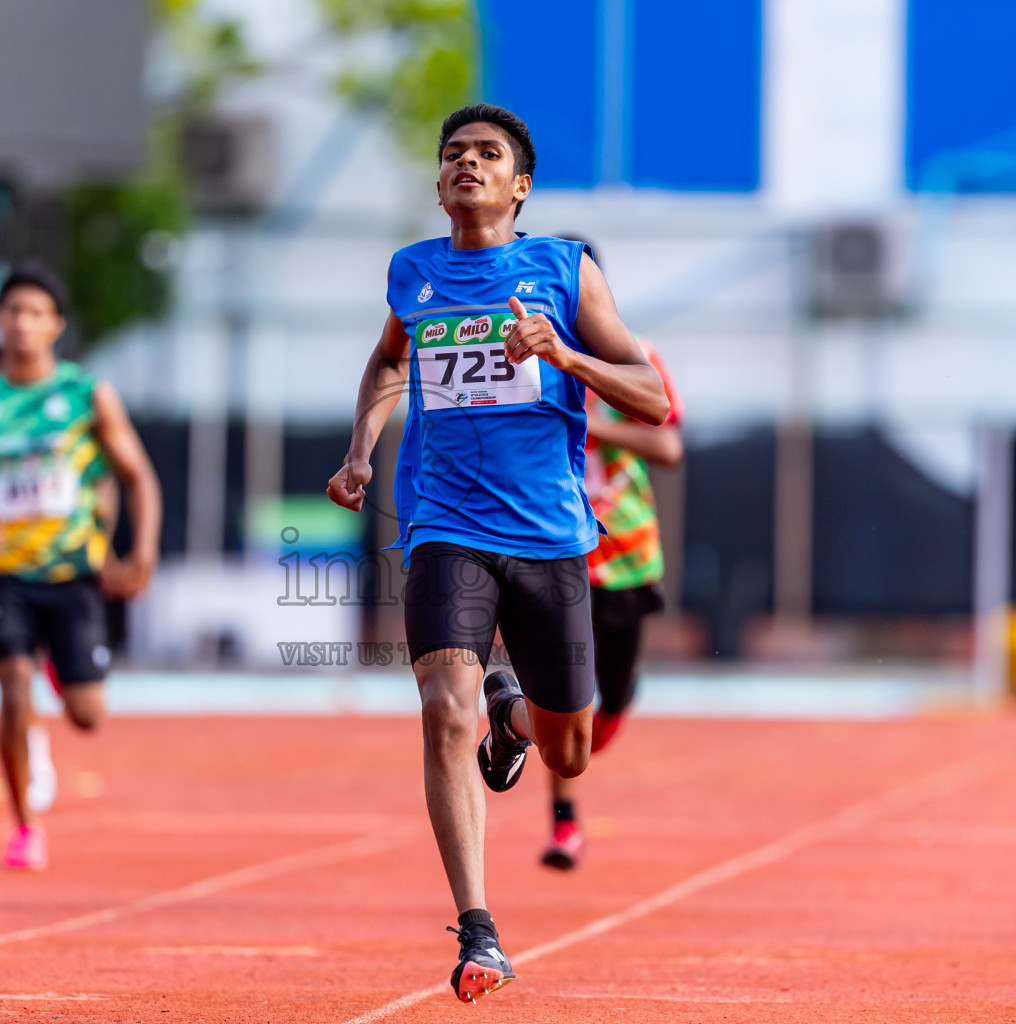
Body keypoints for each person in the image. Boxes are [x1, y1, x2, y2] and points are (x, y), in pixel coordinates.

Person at [325, 104, 668, 1003]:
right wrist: (362, 450)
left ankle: (513, 719)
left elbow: (652, 399)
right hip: (443, 525)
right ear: (439, 185)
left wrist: (564, 354)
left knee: (570, 754)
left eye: (486, 155)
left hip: (550, 537)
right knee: (444, 707)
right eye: (452, 155)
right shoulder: (412, 272)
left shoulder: (564, 268)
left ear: (520, 186)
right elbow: (389, 363)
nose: (465, 164)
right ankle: (479, 929)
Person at [0, 262, 161, 871]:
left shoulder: (85, 395)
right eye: (13, 311)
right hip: (4, 572)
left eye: (37, 313)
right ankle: (24, 827)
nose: (23, 324)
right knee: (12, 693)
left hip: (73, 572)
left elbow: (137, 476)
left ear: (56, 325)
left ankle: (54, 677)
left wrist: (140, 551)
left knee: (87, 716)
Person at [539, 242, 684, 869]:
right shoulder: (524, 357)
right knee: (563, 691)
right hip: (553, 546)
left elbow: (670, 445)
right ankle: (564, 824)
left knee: (610, 700)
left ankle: (600, 719)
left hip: (624, 555)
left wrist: (592, 428)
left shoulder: (636, 356)